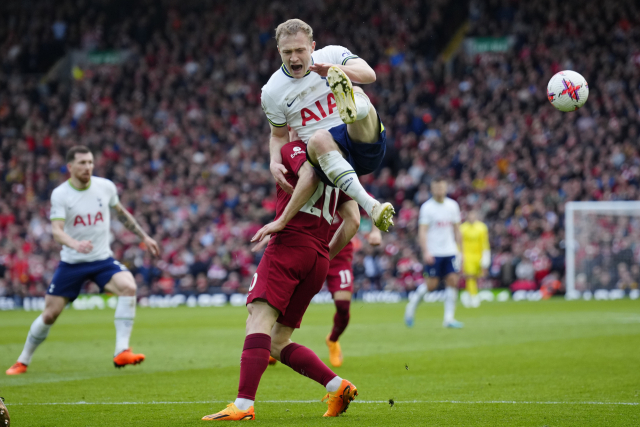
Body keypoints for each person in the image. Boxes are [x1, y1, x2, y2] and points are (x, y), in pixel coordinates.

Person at [202, 138, 361, 421]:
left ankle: (243, 404)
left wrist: (282, 221)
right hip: (318, 258)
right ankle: (337, 387)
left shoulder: (294, 147)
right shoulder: (340, 164)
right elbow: (353, 222)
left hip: (289, 245)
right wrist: (324, 253)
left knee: (258, 319)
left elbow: (309, 175)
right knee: (278, 340)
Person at [5, 146, 160, 376]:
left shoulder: (105, 187)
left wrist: (143, 236)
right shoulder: (61, 194)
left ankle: (121, 351)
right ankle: (22, 361)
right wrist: (74, 244)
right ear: (70, 167)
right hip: (72, 262)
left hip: (101, 259)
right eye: (82, 163)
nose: (88, 167)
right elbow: (56, 231)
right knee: (49, 314)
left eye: (90, 162)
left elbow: (120, 213)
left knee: (129, 287)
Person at [260, 18, 394, 239]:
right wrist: (274, 161)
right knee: (319, 137)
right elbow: (278, 135)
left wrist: (332, 69)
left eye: (300, 50)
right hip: (328, 158)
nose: (293, 58)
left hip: (361, 141)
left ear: (312, 47)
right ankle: (373, 207)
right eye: (287, 52)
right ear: (278, 51)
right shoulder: (272, 91)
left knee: (359, 93)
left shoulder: (331, 54)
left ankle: (352, 109)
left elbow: (370, 75)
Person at [404, 177, 464, 329]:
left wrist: (460, 251)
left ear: (446, 188)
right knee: (431, 285)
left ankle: (448, 319)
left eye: (442, 187)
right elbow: (422, 231)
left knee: (453, 281)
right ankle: (410, 309)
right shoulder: (427, 207)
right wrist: (426, 251)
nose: (439, 190)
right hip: (434, 252)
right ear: (432, 189)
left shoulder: (452, 206)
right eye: (437, 187)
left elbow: (457, 229)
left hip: (450, 251)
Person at [325, 215, 381, 367]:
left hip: (340, 258)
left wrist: (375, 231)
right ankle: (277, 342)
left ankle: (333, 339)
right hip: (312, 253)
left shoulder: (347, 192)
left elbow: (375, 208)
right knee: (293, 301)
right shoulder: (309, 191)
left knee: (343, 307)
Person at [460, 210, 491, 308]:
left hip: (478, 256)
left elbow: (484, 243)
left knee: (476, 278)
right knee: (470, 277)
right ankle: (473, 297)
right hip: (467, 256)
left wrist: (486, 256)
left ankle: (468, 296)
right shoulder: (462, 228)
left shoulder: (482, 227)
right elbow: (459, 243)